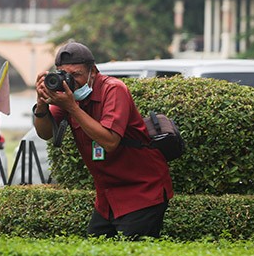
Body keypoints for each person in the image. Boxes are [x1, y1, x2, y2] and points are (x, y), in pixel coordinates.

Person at [32, 42, 173, 238]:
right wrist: (41, 104)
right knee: (94, 250)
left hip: (142, 191)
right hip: (108, 196)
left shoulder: (113, 90)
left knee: (131, 254)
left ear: (93, 72)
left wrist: (72, 107)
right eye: (64, 74)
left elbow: (110, 142)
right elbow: (45, 133)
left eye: (76, 74)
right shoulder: (68, 95)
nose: (70, 80)